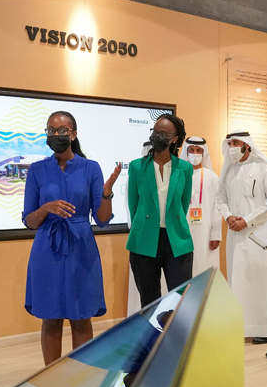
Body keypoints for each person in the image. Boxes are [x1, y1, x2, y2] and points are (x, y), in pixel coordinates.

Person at [22, 111, 121, 366]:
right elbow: (29, 221)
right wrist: (46, 208)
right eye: (51, 130)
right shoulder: (37, 170)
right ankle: (51, 379)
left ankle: (82, 376)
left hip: (81, 247)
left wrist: (107, 194)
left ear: (73, 134)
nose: (56, 134)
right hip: (47, 248)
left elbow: (102, 219)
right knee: (51, 319)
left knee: (81, 318)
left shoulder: (91, 168)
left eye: (62, 130)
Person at [215, 130, 267, 344]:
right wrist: (228, 216)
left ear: (247, 145)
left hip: (259, 235)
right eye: (230, 143)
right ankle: (242, 327)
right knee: (240, 281)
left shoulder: (263, 168)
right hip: (235, 235)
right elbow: (220, 197)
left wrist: (248, 220)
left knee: (261, 281)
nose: (232, 147)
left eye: (236, 143)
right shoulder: (229, 170)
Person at [126, 113, 195, 307]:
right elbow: (133, 205)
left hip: (176, 240)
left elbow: (183, 204)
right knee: (149, 301)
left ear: (175, 138)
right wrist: (143, 227)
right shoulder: (137, 167)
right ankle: (151, 329)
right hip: (145, 240)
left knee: (180, 300)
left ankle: (176, 329)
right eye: (155, 132)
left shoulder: (184, 168)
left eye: (164, 134)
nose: (157, 137)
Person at [183, 136, 222, 276]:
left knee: (205, 265)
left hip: (205, 230)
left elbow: (217, 207)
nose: (195, 153)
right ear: (186, 152)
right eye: (191, 150)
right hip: (183, 229)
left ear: (203, 153)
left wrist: (215, 234)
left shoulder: (212, 177)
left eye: (198, 150)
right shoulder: (179, 175)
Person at [126, 141, 156, 316]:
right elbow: (132, 204)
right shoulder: (136, 169)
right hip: (141, 236)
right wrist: (138, 229)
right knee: (147, 291)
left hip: (167, 236)